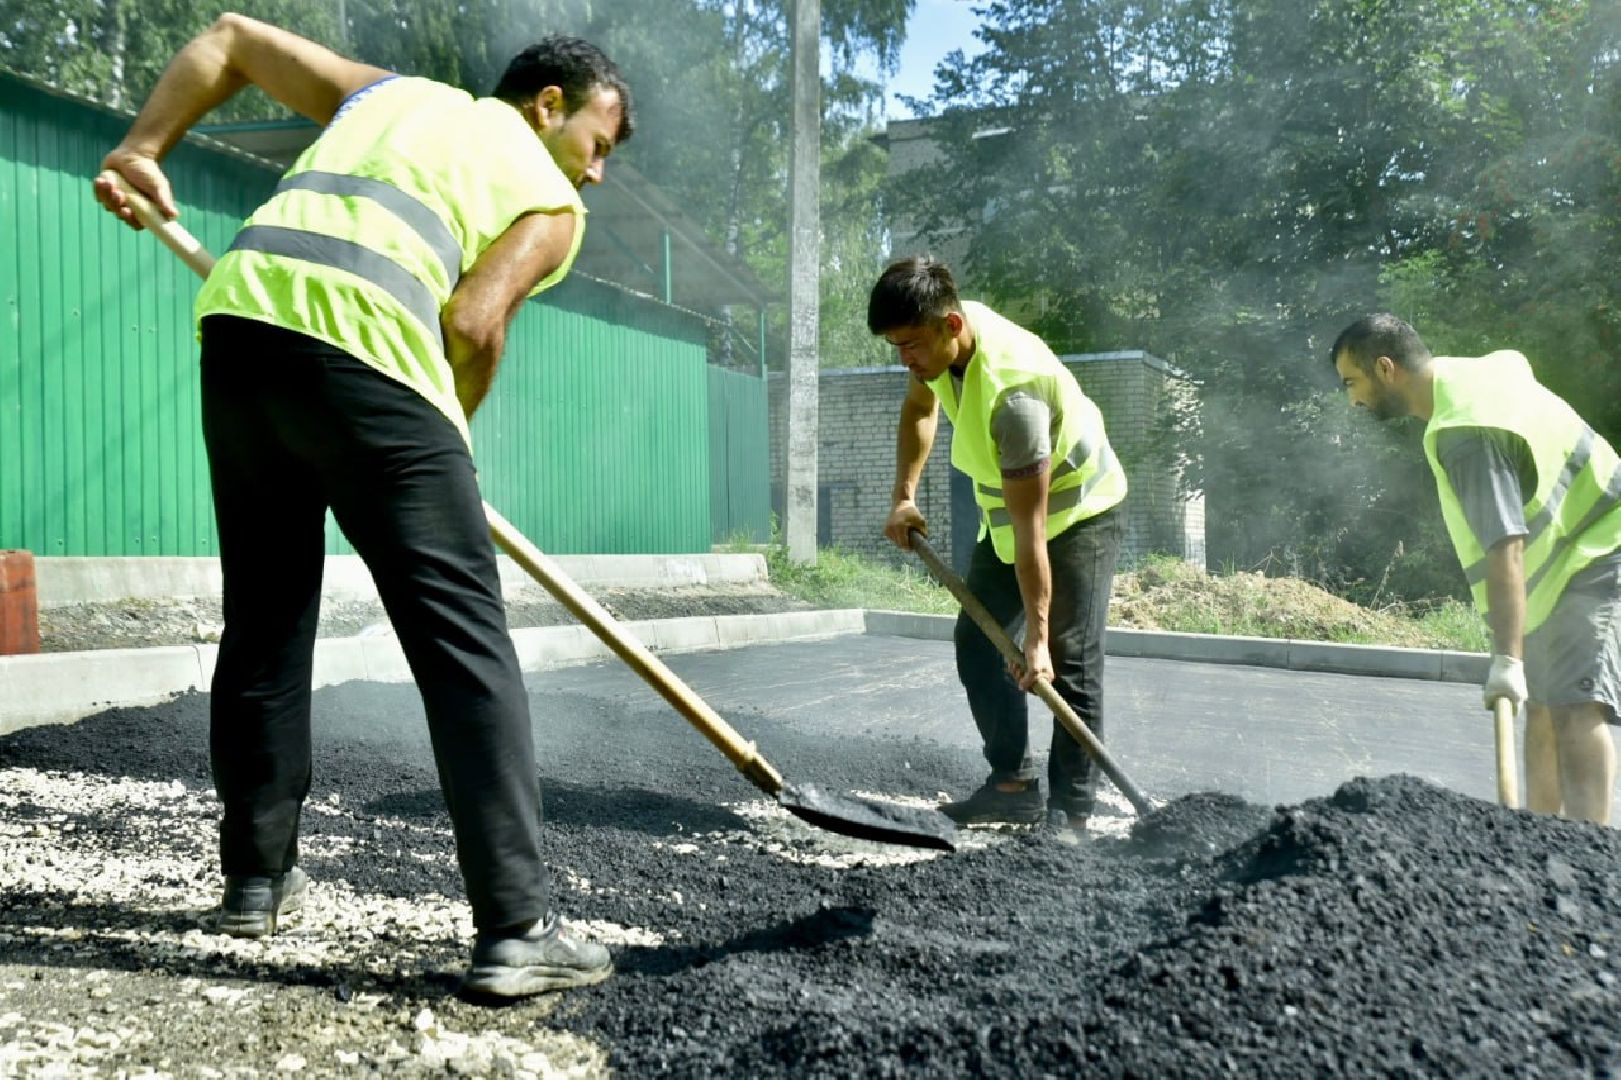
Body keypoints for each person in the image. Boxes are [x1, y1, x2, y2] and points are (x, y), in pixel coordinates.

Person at [92, 13, 635, 997]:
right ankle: (517, 925)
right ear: (548, 108)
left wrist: (140, 147)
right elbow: (473, 321)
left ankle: (256, 883)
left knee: (266, 615)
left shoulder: (389, 93)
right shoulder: (551, 207)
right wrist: (449, 445)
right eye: (597, 144)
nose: (594, 173)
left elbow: (227, 38)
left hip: (244, 328)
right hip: (375, 366)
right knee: (464, 642)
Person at [1331, 314, 1621, 825]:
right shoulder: (1476, 376)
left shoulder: (1465, 430)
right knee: (1540, 708)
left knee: (1578, 705)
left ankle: (1590, 857)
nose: (1352, 400)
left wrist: (1506, 661)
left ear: (1385, 368)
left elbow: (1505, 545)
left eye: (1352, 383)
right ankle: (1537, 844)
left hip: (1598, 543)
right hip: (1559, 561)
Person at [870, 257, 1128, 831]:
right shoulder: (939, 343)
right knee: (979, 641)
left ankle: (1070, 818)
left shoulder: (1015, 398)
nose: (905, 359)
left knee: (1067, 660)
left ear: (951, 326)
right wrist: (903, 496)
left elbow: (1034, 532)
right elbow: (919, 409)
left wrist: (1035, 639)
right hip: (1011, 519)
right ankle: (1012, 785)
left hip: (1080, 512)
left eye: (910, 345)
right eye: (896, 346)